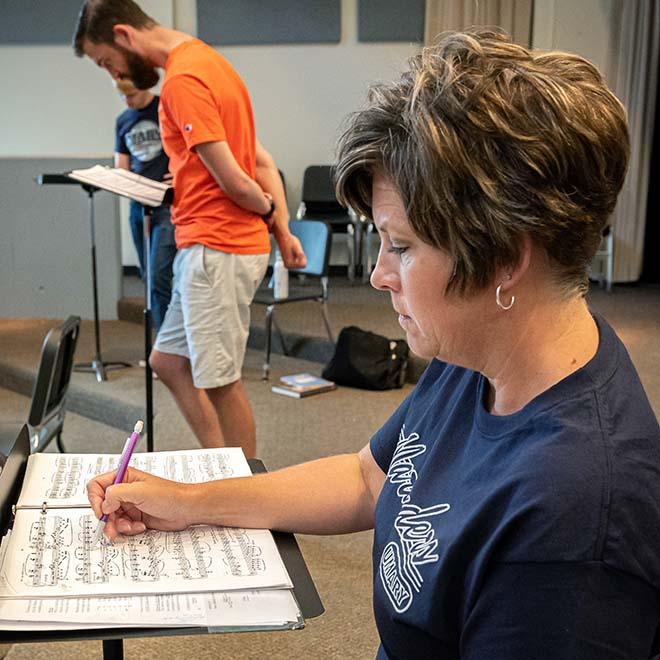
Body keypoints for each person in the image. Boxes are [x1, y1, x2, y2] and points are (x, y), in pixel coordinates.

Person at [87, 29, 660, 659]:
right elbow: (369, 478)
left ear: (504, 258)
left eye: (403, 246)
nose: (377, 274)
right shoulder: (479, 355)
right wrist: (189, 503)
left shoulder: (571, 520)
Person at [73, 0, 306, 458]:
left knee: (220, 382)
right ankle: (218, 463)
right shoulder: (212, 62)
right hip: (207, 246)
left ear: (123, 34)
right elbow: (260, 160)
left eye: (106, 62)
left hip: (216, 247)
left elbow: (236, 180)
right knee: (168, 361)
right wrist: (281, 230)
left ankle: (246, 492)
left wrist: (264, 210)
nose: (111, 72)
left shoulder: (183, 80)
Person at [114, 76, 175, 332]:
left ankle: (167, 346)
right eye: (124, 97)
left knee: (159, 274)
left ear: (145, 86)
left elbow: (184, 148)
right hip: (138, 206)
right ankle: (161, 342)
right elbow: (122, 163)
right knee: (147, 275)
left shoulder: (165, 109)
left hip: (165, 205)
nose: (128, 101)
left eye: (132, 95)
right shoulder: (123, 121)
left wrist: (180, 173)